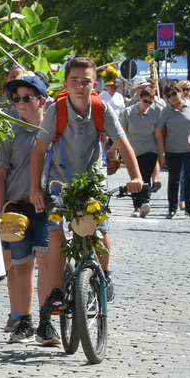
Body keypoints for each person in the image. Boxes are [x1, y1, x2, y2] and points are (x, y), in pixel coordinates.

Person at [29, 58, 143, 345]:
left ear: (95, 84)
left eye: (87, 81)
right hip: (60, 182)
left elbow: (123, 145)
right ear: (66, 84)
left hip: (92, 181)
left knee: (99, 232)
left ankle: (103, 275)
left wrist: (136, 177)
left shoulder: (102, 109)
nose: (81, 86)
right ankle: (56, 292)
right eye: (75, 81)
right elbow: (39, 151)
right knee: (55, 234)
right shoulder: (57, 111)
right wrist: (35, 189)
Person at [0, 72, 58, 342]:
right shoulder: (10, 132)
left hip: (49, 206)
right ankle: (23, 321)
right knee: (21, 265)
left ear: (43, 100)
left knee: (47, 261)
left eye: (27, 98)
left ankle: (46, 322)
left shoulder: (55, 129)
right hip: (17, 208)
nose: (20, 103)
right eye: (16, 98)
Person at [155, 80, 190, 218]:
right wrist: (161, 152)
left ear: (180, 92)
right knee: (174, 178)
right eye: (169, 95)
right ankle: (172, 208)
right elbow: (160, 132)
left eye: (174, 93)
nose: (172, 97)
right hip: (172, 149)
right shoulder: (165, 111)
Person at [122, 79, 162, 218]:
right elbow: (122, 133)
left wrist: (161, 153)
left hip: (149, 149)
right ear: (139, 98)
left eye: (150, 102)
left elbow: (158, 135)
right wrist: (115, 149)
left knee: (144, 176)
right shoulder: (128, 111)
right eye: (145, 101)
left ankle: (144, 202)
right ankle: (136, 206)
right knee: (134, 178)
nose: (147, 105)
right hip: (132, 150)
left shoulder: (156, 113)